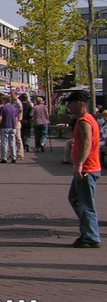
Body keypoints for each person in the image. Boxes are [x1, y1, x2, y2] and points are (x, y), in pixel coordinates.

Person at [64, 90, 101, 248]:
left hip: (87, 168)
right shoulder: (86, 119)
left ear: (78, 103)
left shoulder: (85, 121)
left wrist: (79, 163)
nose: (68, 106)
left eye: (70, 103)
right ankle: (88, 230)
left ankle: (91, 236)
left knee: (85, 203)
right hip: (87, 167)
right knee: (75, 198)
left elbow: (87, 143)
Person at [0, 94, 19, 163]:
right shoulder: (14, 108)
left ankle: (4, 158)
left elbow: (0, 118)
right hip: (12, 126)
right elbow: (16, 118)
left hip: (4, 126)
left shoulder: (3, 108)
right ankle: (13, 157)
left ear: (4, 100)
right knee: (12, 142)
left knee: (4, 142)